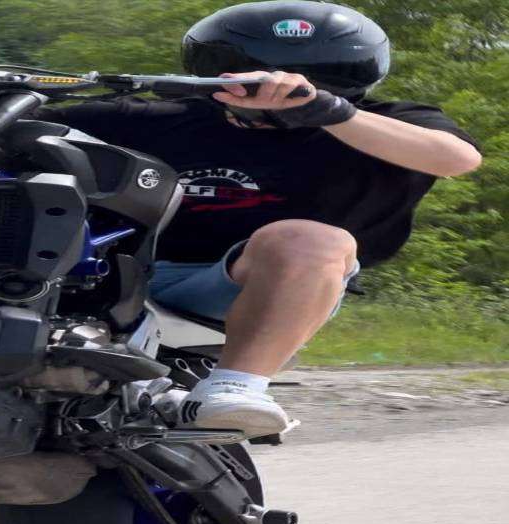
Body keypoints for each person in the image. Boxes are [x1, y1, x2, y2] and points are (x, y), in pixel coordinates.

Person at [38, 0, 481, 438]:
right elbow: (20, 125)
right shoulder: (149, 118)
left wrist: (329, 112)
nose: (272, 92)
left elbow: (457, 158)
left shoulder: (386, 122)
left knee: (313, 241)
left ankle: (235, 389)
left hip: (234, 288)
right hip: (105, 275)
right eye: (249, 77)